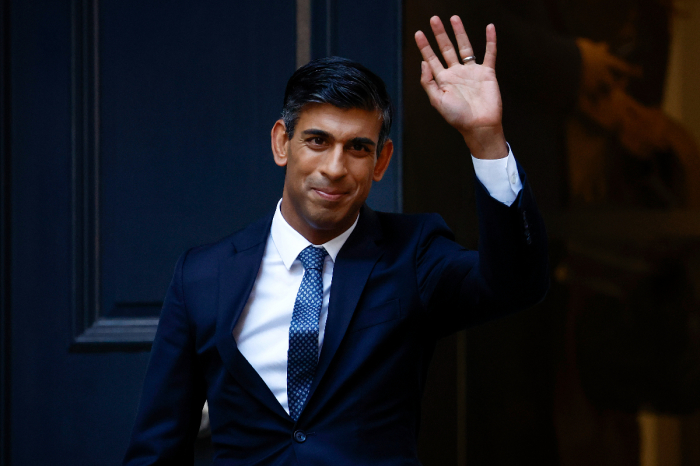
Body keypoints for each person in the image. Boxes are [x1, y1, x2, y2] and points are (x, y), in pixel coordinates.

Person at [123, 16, 548, 465]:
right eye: (317, 141)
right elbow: (158, 446)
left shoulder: (414, 254)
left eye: (358, 148)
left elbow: (516, 283)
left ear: (381, 160)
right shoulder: (202, 274)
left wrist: (485, 137)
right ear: (282, 143)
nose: (334, 167)